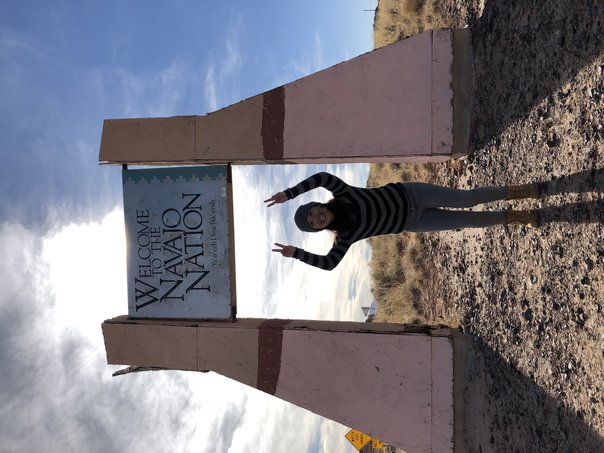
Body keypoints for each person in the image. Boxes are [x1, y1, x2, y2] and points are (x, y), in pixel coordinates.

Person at [265, 172, 540, 271]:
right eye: (313, 224)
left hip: (412, 194)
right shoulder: (344, 237)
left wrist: (290, 193)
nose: (316, 218)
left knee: (468, 198)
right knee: (468, 220)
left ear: (316, 205)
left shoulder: (343, 193)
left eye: (311, 213)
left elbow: (321, 178)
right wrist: (297, 253)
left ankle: (517, 191)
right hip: (415, 221)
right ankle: (514, 217)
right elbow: (329, 264)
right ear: (318, 228)